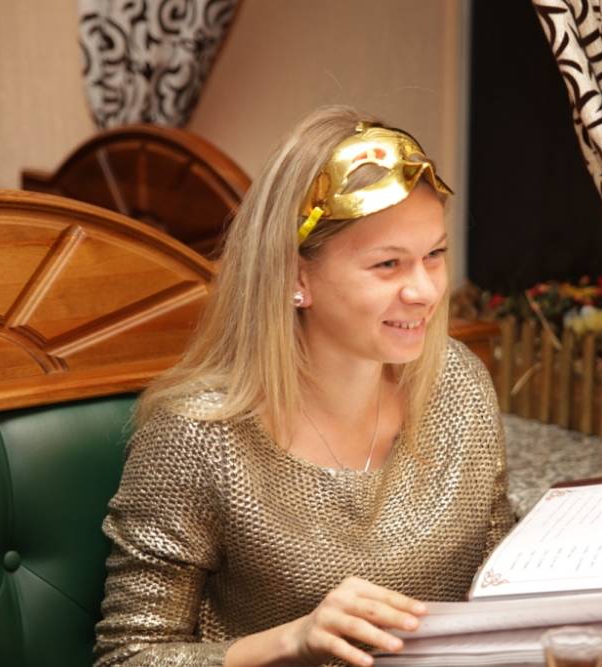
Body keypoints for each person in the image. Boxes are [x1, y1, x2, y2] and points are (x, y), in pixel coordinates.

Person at [94, 105, 515, 667]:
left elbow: (501, 576)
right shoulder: (197, 436)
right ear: (297, 276)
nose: (424, 292)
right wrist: (293, 641)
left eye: (434, 255)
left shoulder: (457, 382)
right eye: (388, 265)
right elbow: (127, 658)